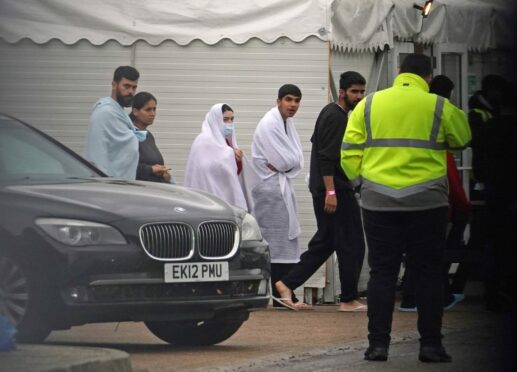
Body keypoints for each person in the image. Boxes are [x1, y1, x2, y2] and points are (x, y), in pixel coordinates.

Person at [341, 54, 471, 363]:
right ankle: (430, 345)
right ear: (428, 77)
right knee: (426, 272)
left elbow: (348, 152)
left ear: (399, 73)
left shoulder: (369, 104)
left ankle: (378, 345)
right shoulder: (438, 105)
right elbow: (463, 138)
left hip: (379, 201)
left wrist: (362, 183)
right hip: (427, 202)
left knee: (382, 272)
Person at [274, 72, 367, 312]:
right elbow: (326, 156)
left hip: (328, 189)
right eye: (354, 91)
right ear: (343, 92)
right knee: (352, 243)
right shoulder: (336, 117)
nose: (359, 96)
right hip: (334, 191)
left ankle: (286, 284)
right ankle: (348, 298)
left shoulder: (334, 114)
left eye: (361, 91)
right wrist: (331, 192)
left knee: (326, 243)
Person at [399, 75, 472, 312]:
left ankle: (414, 298)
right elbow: (452, 175)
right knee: (432, 254)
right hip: (434, 201)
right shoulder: (440, 128)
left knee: (414, 252)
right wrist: (462, 205)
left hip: (403, 196)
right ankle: (437, 299)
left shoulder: (408, 120)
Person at [251, 84, 305, 307]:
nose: (293, 105)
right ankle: (280, 295)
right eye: (289, 100)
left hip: (280, 186)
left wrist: (287, 164)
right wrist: (287, 163)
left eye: (297, 101)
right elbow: (286, 161)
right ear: (278, 101)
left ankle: (285, 293)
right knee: (274, 243)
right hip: (268, 190)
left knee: (286, 243)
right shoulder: (269, 123)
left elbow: (297, 161)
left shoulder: (286, 123)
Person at [184, 103, 251, 211]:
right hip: (207, 198)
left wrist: (237, 159)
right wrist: (229, 155)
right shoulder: (203, 141)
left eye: (232, 119)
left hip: (225, 198)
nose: (229, 123)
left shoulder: (226, 142)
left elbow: (232, 173)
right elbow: (205, 170)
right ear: (215, 120)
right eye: (225, 119)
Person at [85, 66, 146, 179]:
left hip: (123, 185)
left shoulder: (119, 113)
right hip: (108, 187)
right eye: (126, 86)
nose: (131, 92)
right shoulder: (103, 114)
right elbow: (96, 154)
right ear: (114, 85)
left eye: (134, 87)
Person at [468, 74, 506, 198]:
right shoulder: (477, 115)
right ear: (490, 91)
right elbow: (477, 142)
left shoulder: (494, 111)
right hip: (485, 173)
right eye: (499, 91)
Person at [130, 92, 173, 183]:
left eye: (154, 109)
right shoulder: (129, 135)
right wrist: (150, 169)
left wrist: (165, 175)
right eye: (148, 109)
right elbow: (126, 167)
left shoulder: (148, 135)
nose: (152, 113)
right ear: (135, 111)